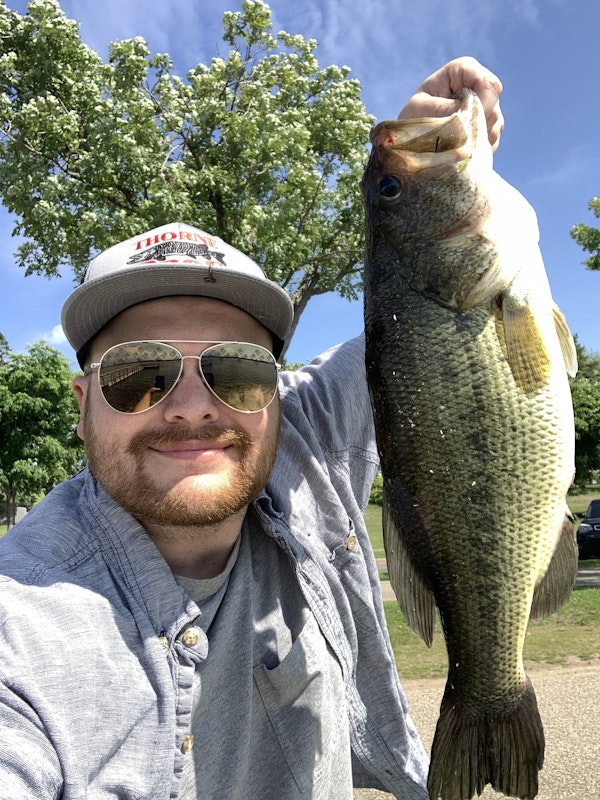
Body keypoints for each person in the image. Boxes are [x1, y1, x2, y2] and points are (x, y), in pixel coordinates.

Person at [0, 57, 503, 799]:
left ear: (276, 391)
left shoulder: (303, 436)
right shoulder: (22, 629)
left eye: (237, 370)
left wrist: (427, 159)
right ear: (81, 405)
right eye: (138, 373)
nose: (192, 406)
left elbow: (437, 319)